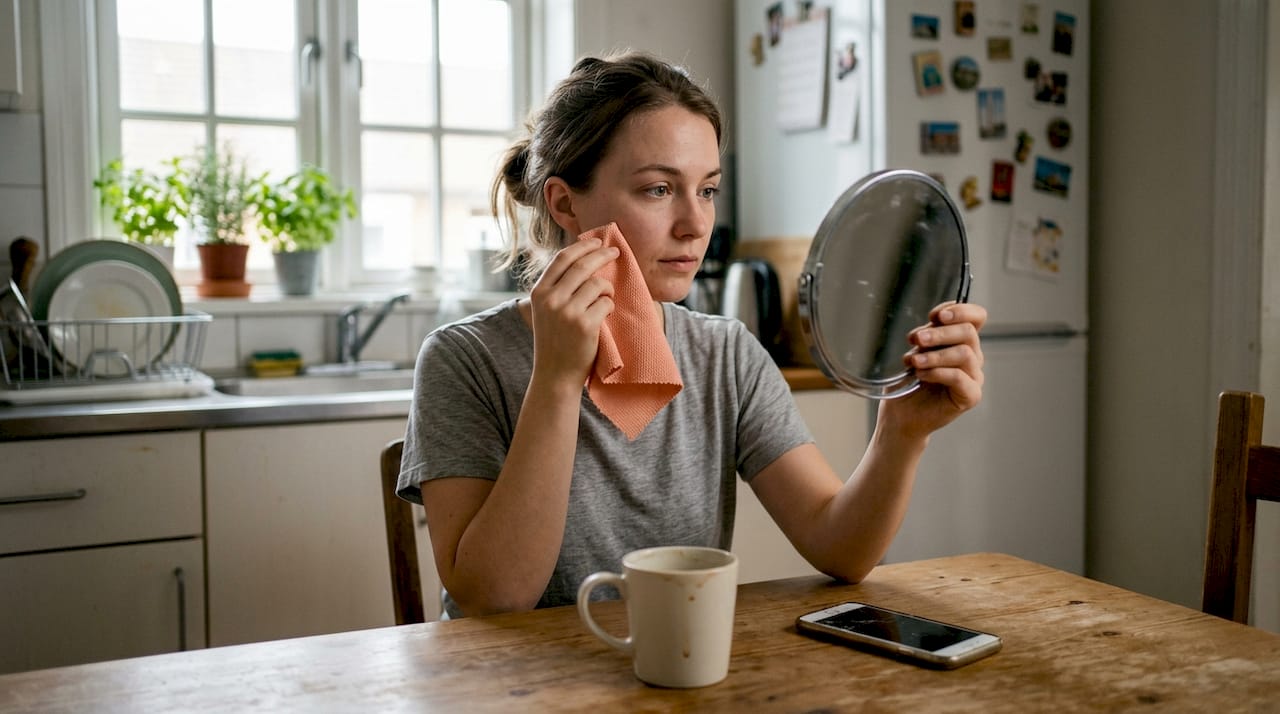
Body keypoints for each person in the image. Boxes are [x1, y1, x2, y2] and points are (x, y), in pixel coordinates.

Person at [397, 52, 987, 619]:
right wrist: (554, 377)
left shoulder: (724, 354)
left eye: (706, 189)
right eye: (658, 189)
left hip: (676, 673)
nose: (696, 223)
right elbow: (493, 601)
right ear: (564, 202)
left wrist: (901, 433)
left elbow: (842, 548)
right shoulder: (464, 358)